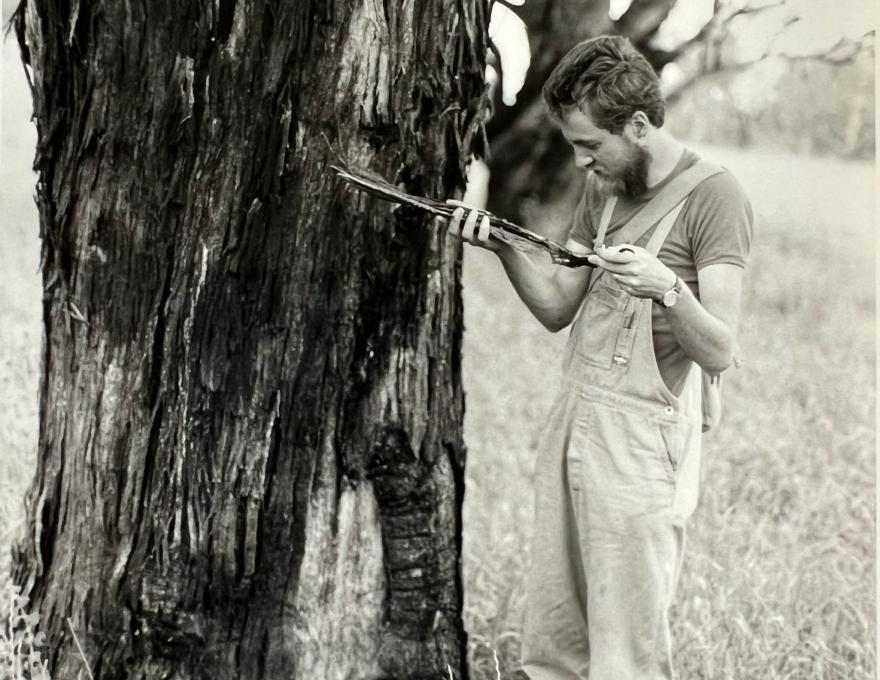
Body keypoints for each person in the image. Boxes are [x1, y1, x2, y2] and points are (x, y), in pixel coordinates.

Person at [448, 36, 753, 679]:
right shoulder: (606, 189)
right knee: (554, 642)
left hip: (644, 448)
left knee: (625, 656)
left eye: (591, 145)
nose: (583, 162)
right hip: (576, 423)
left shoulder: (716, 198)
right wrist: (504, 246)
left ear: (639, 124)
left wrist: (667, 288)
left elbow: (722, 347)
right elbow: (560, 306)